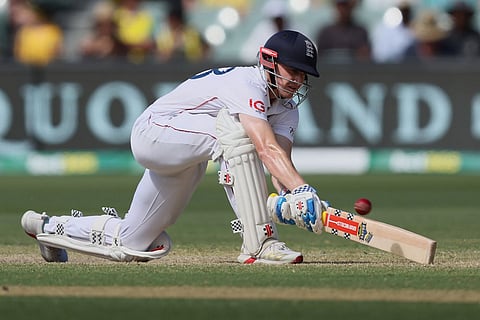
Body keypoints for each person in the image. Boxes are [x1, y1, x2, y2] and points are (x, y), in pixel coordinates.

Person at [21, 30, 327, 265]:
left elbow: (280, 160)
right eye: (293, 71)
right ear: (268, 60)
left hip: (189, 150)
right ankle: (260, 244)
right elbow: (264, 149)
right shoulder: (246, 83)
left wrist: (293, 198)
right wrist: (303, 190)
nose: (297, 81)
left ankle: (48, 228)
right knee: (237, 134)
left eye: (303, 75)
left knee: (135, 243)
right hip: (155, 132)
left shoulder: (288, 108)